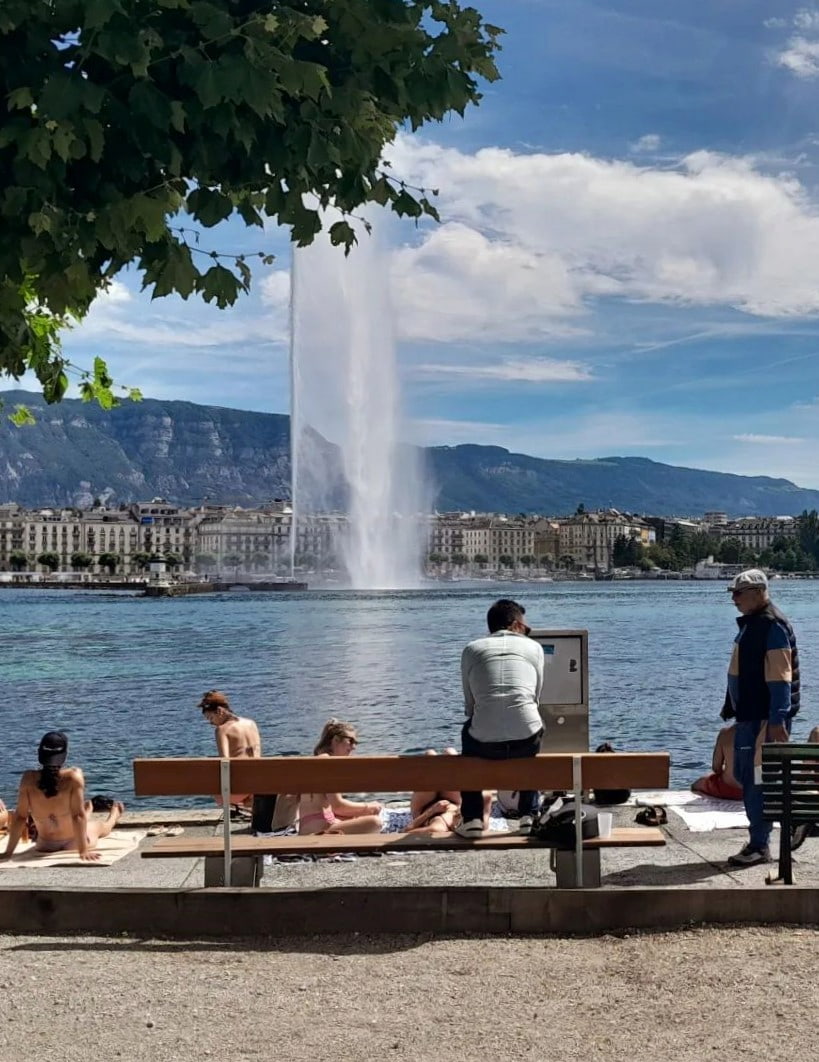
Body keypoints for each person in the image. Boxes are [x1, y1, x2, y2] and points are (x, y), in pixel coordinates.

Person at [722, 569, 799, 867]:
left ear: (757, 592)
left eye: (738, 593)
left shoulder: (771, 625)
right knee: (748, 776)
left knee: (758, 780)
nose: (734, 599)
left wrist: (777, 719)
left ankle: (759, 844)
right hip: (750, 716)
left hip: (763, 719)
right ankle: (762, 839)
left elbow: (781, 677)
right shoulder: (756, 624)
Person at [457, 598, 545, 838]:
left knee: (468, 732)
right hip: (525, 740)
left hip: (484, 743)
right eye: (526, 628)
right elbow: (535, 698)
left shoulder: (471, 649)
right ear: (516, 625)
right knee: (534, 728)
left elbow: (470, 705)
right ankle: (529, 815)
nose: (526, 632)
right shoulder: (534, 648)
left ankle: (472, 819)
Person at [0, 732, 123, 862]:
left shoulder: (28, 779)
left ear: (40, 754)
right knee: (99, 826)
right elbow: (77, 816)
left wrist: (8, 852)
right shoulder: (74, 776)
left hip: (45, 845)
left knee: (80, 818)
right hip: (73, 843)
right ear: (65, 754)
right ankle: (114, 815)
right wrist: (83, 851)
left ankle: (88, 811)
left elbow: (20, 817)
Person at [298, 720, 383, 836]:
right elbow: (338, 806)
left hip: (315, 825)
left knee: (361, 817)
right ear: (336, 740)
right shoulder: (327, 762)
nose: (354, 747)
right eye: (350, 741)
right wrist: (369, 807)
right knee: (375, 822)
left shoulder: (319, 759)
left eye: (356, 743)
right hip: (317, 831)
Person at [199, 690, 262, 817]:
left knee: (215, 787)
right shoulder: (251, 723)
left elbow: (225, 762)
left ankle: (239, 805)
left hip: (239, 788)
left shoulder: (222, 730)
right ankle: (247, 803)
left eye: (210, 718)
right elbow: (257, 754)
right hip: (259, 781)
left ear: (219, 711)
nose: (211, 723)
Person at [691, 724, 744, 801]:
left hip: (726, 788)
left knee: (697, 784)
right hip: (756, 791)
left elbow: (716, 768)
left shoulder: (725, 733)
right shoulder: (762, 733)